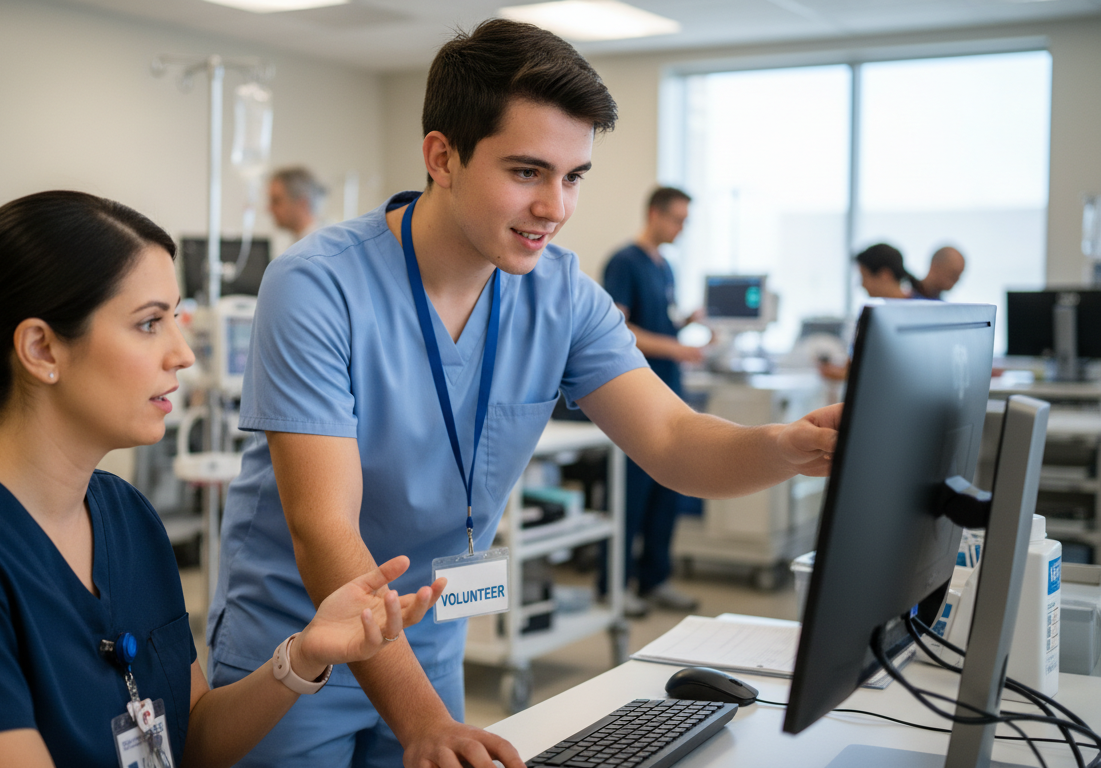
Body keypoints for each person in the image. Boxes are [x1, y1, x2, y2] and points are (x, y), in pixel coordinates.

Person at [207, 19, 841, 768]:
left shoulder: (562, 295)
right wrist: (421, 723)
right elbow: (324, 533)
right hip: (295, 650)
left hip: (428, 645)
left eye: (573, 177)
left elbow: (672, 441)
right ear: (442, 157)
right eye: (527, 172)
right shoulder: (320, 285)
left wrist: (788, 446)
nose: (556, 207)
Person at [0, 190, 446, 768]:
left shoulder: (124, 515)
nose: (183, 353)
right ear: (42, 349)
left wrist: (304, 655)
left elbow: (191, 734)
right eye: (150, 323)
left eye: (177, 319)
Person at [601, 186, 703, 616]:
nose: (681, 229)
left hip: (669, 394)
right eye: (677, 219)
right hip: (636, 398)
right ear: (654, 214)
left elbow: (659, 322)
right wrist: (676, 348)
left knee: (668, 491)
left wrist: (686, 326)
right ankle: (615, 585)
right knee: (631, 495)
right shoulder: (624, 262)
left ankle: (654, 579)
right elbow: (619, 329)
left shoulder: (666, 268)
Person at [819, 243, 909, 380]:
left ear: (885, 275)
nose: (862, 284)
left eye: (864, 276)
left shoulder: (908, 317)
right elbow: (856, 367)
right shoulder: (876, 316)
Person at [268, 166, 326, 241]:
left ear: (302, 203)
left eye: (276, 201)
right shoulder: (301, 243)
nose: (270, 209)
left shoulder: (319, 246)